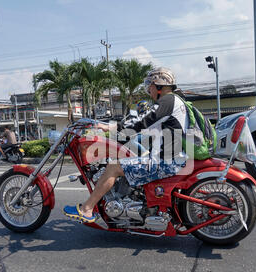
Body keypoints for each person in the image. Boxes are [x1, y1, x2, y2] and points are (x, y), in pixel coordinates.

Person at [63, 67, 189, 223]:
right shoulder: (175, 101)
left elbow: (141, 122)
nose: (148, 90)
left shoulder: (167, 101)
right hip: (172, 158)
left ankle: (87, 209)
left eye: (150, 85)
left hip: (166, 162)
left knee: (113, 167)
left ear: (158, 86)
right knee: (126, 159)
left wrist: (110, 127)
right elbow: (147, 130)